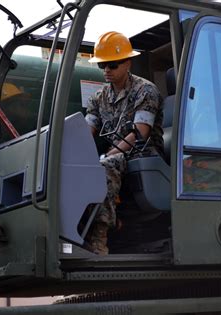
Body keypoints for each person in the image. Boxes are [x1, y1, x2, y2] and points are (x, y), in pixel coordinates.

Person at [85, 31, 164, 255]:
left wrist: (108, 155)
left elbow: (140, 132)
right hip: (117, 153)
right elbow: (87, 130)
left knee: (105, 166)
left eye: (112, 64)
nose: (107, 71)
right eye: (103, 66)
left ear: (127, 63)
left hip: (143, 153)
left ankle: (99, 237)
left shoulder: (145, 90)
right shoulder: (98, 97)